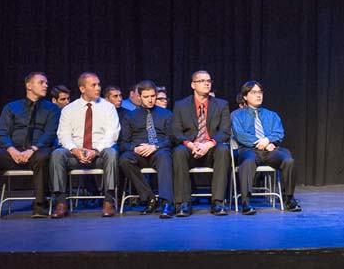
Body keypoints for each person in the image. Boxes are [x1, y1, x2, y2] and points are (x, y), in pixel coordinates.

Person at [0, 72, 60, 219]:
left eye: (46, 83)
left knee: (44, 155)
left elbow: (50, 133)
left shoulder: (52, 109)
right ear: (29, 85)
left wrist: (33, 149)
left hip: (37, 153)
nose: (46, 85)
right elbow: (1, 132)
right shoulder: (12, 107)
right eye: (41, 82)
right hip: (13, 153)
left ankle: (40, 205)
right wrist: (11, 149)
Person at [51, 72, 120, 218]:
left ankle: (108, 201)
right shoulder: (69, 109)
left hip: (99, 154)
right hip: (75, 155)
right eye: (93, 85)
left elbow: (112, 134)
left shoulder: (108, 108)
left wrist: (95, 151)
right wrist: (75, 150)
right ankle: (61, 203)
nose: (98, 88)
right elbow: (63, 134)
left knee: (112, 152)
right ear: (82, 89)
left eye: (99, 85)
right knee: (57, 154)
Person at [231, 80, 301, 214]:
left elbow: (279, 132)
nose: (258, 95)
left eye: (260, 92)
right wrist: (261, 142)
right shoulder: (237, 115)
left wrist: (268, 140)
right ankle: (246, 202)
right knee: (248, 161)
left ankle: (289, 199)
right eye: (254, 92)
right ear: (245, 96)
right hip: (248, 149)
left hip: (269, 150)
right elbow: (240, 135)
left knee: (288, 161)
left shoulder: (271, 115)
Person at [171, 70, 231, 216]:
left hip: (211, 148)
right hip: (191, 148)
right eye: (202, 81)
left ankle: (217, 202)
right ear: (193, 85)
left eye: (209, 81)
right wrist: (191, 145)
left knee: (223, 149)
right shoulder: (181, 105)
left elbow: (225, 131)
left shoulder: (221, 104)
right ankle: (184, 203)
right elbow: (175, 131)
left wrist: (208, 144)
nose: (206, 83)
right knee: (178, 151)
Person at [118, 80, 176, 218]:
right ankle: (149, 198)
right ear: (139, 96)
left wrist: (155, 146)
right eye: (146, 97)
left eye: (152, 96)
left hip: (159, 150)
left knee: (165, 157)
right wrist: (135, 148)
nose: (150, 100)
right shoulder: (130, 116)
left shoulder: (167, 114)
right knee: (124, 159)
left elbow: (172, 139)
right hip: (139, 152)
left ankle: (167, 203)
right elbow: (123, 143)